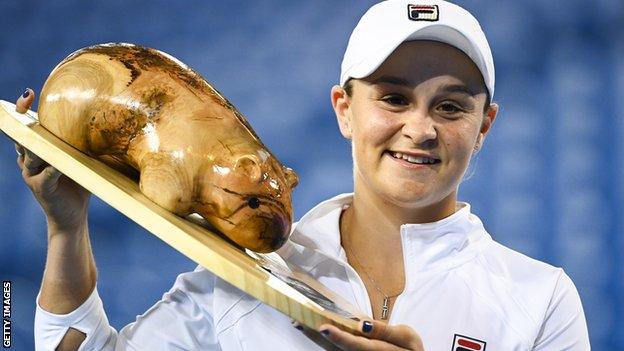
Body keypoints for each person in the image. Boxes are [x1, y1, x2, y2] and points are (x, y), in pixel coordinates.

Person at [13, 1, 589, 350]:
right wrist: (66, 231)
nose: (420, 128)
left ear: (484, 125)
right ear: (344, 108)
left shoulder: (541, 300)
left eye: (451, 106)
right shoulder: (246, 277)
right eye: (393, 98)